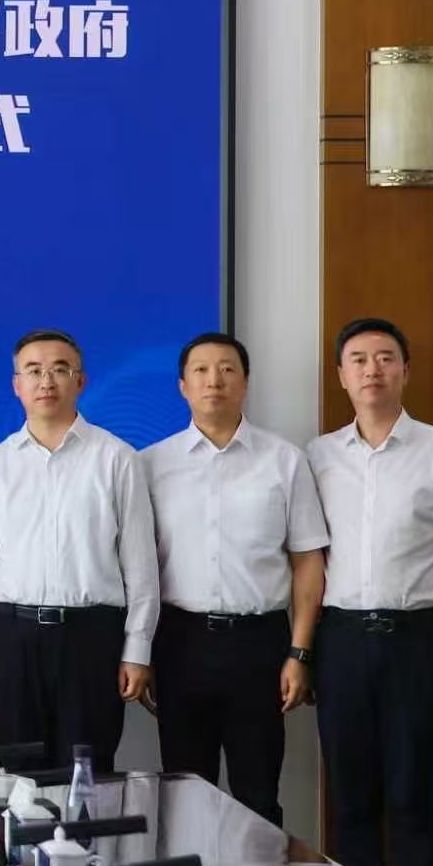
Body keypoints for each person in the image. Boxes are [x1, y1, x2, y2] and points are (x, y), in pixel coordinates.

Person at [307, 317, 433, 866]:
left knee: (413, 791)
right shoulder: (317, 456)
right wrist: (302, 649)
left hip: (419, 638)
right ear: (341, 375)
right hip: (341, 640)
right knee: (349, 794)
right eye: (358, 360)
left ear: (405, 371)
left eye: (385, 358)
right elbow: (307, 560)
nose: (372, 370)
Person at [140, 333, 328, 825]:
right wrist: (141, 651)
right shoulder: (150, 464)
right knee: (184, 796)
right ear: (183, 386)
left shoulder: (284, 460)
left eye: (227, 369)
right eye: (201, 370)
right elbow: (137, 567)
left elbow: (308, 561)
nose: (214, 380)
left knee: (258, 796)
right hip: (179, 642)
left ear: (245, 383)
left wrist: (299, 652)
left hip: (259, 644)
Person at [0, 330, 158, 770]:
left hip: (92, 638)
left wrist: (137, 649)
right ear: (17, 385)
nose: (46, 381)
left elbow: (140, 566)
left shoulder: (117, 458)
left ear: (80, 381)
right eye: (33, 371)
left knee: (88, 778)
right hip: (14, 638)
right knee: (18, 779)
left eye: (59, 370)